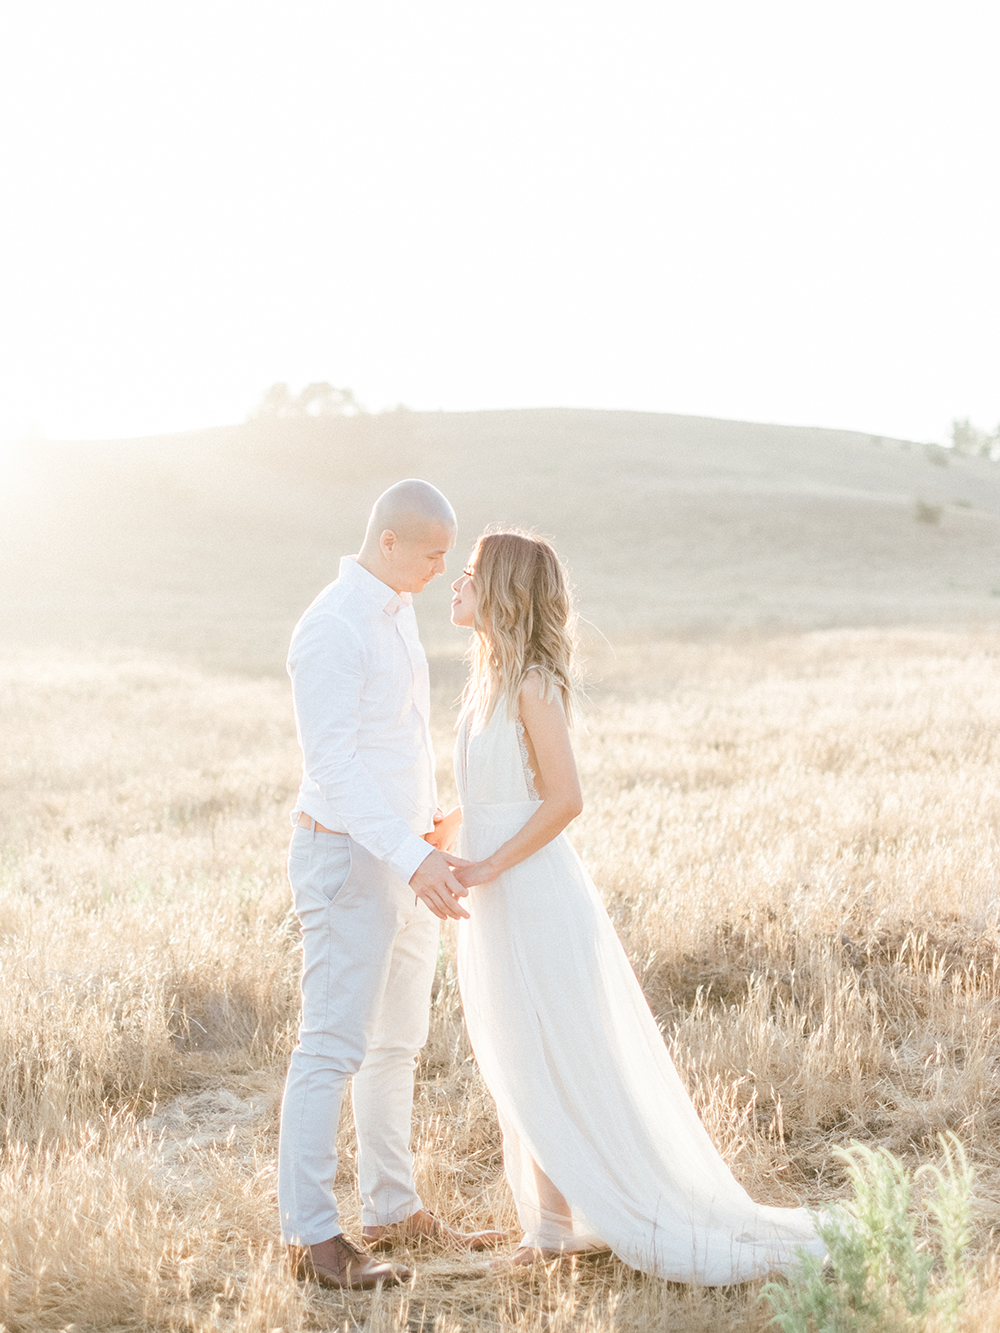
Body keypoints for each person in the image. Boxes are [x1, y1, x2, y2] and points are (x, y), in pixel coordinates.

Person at [440, 529, 827, 1283]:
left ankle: (558, 1231)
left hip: (533, 893)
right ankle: (549, 1224)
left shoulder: (533, 684)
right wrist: (442, 834)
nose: (454, 584)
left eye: (469, 573)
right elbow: (490, 794)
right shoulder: (482, 680)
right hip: (493, 894)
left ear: (505, 591)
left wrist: (486, 861)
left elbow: (565, 798)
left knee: (549, 1054)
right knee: (518, 1054)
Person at [278, 480, 503, 1292]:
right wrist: (410, 856)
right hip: (348, 860)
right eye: (436, 553)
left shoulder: (396, 607)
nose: (447, 569)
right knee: (331, 1047)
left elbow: (393, 741)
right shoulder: (333, 627)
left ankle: (392, 1207)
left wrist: (426, 826)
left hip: (406, 853)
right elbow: (332, 770)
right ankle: (311, 1239)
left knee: (396, 1044)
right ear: (389, 543)